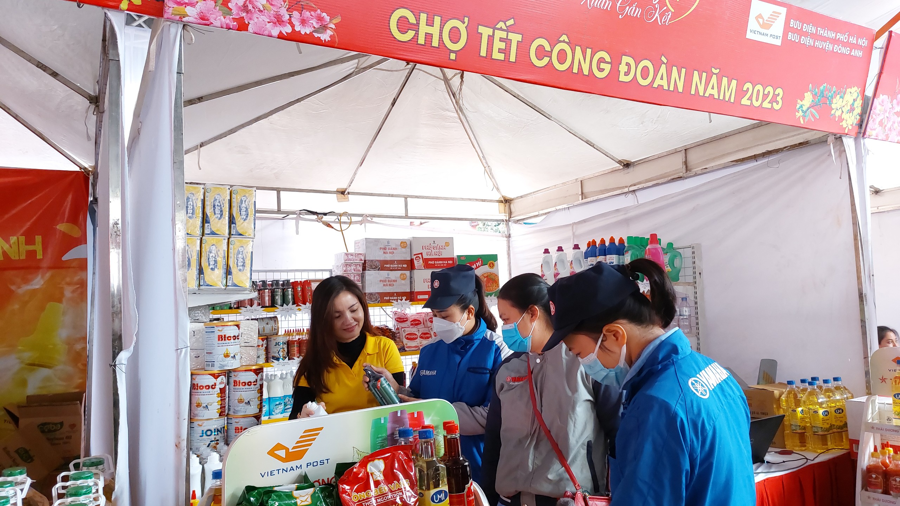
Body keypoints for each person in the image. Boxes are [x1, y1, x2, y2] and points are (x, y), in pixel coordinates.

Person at [548, 260, 754, 506]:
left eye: (580, 353)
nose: (584, 364)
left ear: (614, 335)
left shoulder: (657, 405)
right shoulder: (713, 371)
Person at [482, 274, 621, 506]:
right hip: (511, 500)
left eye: (507, 320)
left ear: (532, 313)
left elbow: (618, 434)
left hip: (569, 500)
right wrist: (487, 497)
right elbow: (494, 441)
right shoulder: (508, 369)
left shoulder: (586, 363)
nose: (505, 328)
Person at [387, 264, 509, 486]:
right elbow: (416, 399)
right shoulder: (429, 350)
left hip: (479, 469)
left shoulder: (497, 350)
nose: (438, 322)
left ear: (469, 312)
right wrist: (394, 389)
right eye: (434, 315)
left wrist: (435, 412)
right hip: (431, 468)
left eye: (444, 315)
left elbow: (494, 416)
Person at [289, 276, 405, 419]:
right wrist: (303, 417)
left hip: (381, 432)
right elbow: (294, 417)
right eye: (337, 316)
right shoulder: (314, 363)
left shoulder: (385, 347)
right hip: (335, 433)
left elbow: (403, 406)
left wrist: (391, 386)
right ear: (322, 321)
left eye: (354, 310)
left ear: (363, 306)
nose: (348, 320)